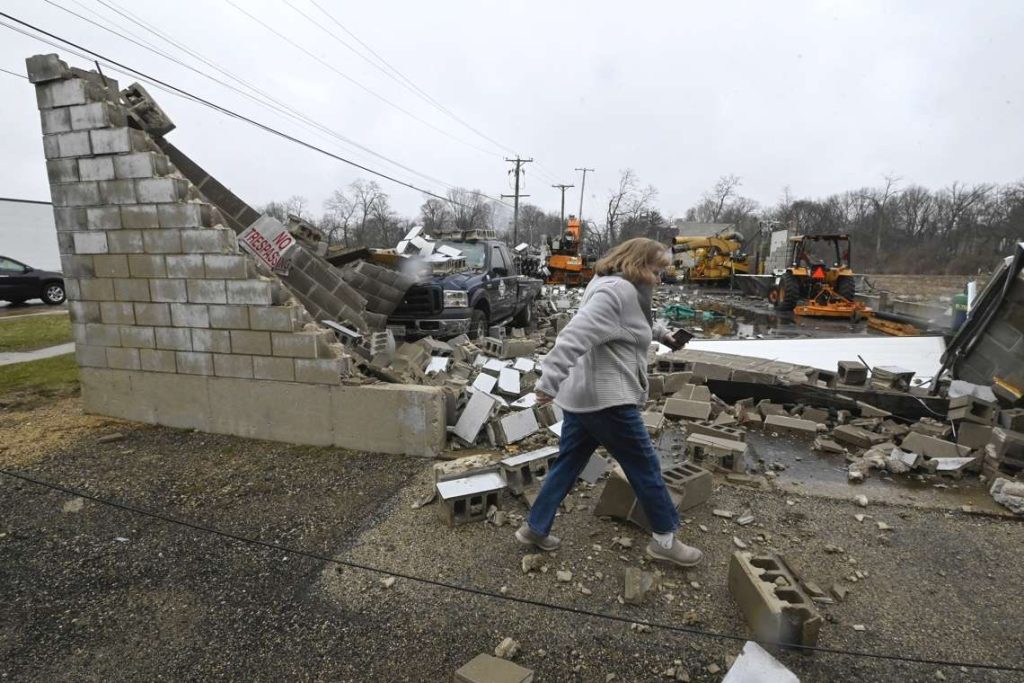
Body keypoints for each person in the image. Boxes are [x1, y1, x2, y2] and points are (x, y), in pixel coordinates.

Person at [514, 237, 703, 568]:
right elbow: (575, 335)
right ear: (639, 264)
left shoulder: (612, 284)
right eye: (657, 270)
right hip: (608, 401)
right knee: (645, 467)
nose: (660, 279)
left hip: (585, 399)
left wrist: (663, 335)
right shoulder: (617, 292)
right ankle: (665, 540)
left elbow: (633, 321)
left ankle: (535, 528)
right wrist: (548, 381)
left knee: (568, 464)